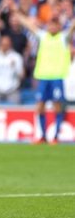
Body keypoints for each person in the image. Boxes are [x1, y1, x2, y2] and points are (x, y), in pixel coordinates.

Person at [17, 14, 75, 144]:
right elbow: (30, 26)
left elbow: (72, 27)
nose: (53, 27)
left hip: (57, 76)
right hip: (43, 76)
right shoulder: (43, 36)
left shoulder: (63, 38)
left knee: (57, 105)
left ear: (59, 27)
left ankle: (55, 137)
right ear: (47, 26)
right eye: (50, 24)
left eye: (55, 25)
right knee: (40, 106)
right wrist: (17, 14)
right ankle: (42, 136)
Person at [0, 35, 24, 105]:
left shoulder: (16, 57)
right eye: (3, 44)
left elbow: (21, 76)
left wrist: (14, 66)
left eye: (7, 44)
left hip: (12, 90)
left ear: (10, 45)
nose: (5, 46)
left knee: (17, 111)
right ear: (0, 45)